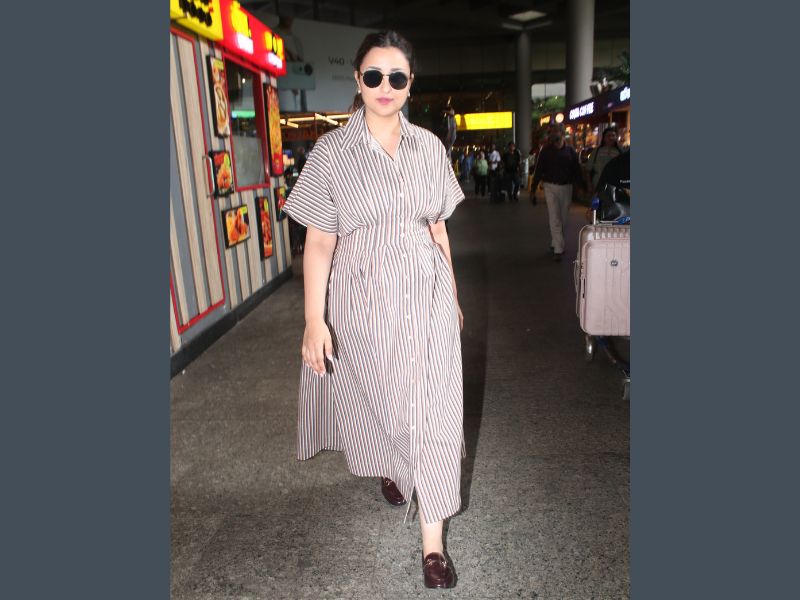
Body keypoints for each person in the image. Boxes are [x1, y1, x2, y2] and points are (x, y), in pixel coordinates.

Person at [282, 30, 465, 590]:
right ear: (358, 81)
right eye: (374, 75)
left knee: (435, 410)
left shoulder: (430, 147)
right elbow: (319, 241)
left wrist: (454, 297)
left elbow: (439, 230)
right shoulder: (330, 153)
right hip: (361, 299)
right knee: (381, 397)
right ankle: (391, 463)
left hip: (427, 296)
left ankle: (432, 545)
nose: (386, 86)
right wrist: (314, 320)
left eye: (398, 76)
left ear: (411, 85)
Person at [530, 123, 585, 261]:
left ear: (562, 133)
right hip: (550, 186)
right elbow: (538, 171)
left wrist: (581, 186)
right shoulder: (545, 151)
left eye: (555, 131)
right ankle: (559, 250)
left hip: (567, 187)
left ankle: (555, 242)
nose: (552, 134)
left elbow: (576, 170)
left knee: (563, 219)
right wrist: (533, 190)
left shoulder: (570, 151)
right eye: (551, 132)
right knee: (554, 218)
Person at [584, 126, 622, 194]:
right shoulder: (597, 151)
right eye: (608, 136)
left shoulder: (620, 152)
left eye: (613, 135)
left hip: (615, 185)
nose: (611, 138)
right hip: (598, 184)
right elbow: (588, 169)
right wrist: (589, 185)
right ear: (604, 138)